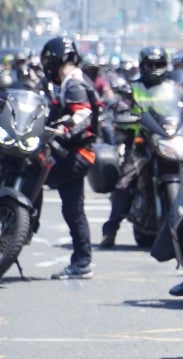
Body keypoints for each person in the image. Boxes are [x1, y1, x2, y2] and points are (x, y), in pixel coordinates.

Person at [99, 46, 183, 247]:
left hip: (168, 139)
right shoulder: (134, 88)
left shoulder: (175, 88)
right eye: (150, 64)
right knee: (125, 180)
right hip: (141, 141)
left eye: (158, 64)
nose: (154, 68)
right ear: (142, 66)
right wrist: (122, 111)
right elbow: (118, 105)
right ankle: (111, 229)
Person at [40, 36, 99, 279]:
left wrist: (64, 131)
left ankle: (18, 226)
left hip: (76, 153)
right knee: (73, 210)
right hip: (76, 153)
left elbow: (83, 114)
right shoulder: (72, 80)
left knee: (34, 177)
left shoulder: (73, 82)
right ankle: (81, 262)